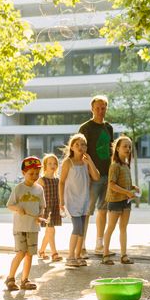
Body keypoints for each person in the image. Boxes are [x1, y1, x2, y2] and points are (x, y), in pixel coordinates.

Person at [78, 95, 114, 257]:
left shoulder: (109, 128)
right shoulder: (86, 128)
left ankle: (100, 244)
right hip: (91, 176)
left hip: (107, 174)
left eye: (103, 107)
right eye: (98, 107)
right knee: (87, 211)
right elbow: (79, 151)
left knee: (103, 210)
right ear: (92, 109)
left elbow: (111, 150)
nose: (101, 110)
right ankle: (81, 246)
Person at [5, 156, 46, 291]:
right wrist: (18, 209)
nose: (34, 176)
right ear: (23, 173)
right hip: (20, 227)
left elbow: (42, 206)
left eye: (36, 173)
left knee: (30, 254)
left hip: (33, 227)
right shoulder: (18, 188)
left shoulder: (39, 189)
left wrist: (40, 216)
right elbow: (9, 205)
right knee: (21, 252)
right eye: (31, 173)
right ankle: (10, 278)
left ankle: (25, 280)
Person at [60, 133, 100, 267]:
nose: (80, 147)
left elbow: (96, 177)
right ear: (71, 147)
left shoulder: (86, 162)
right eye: (77, 144)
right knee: (77, 227)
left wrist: (90, 162)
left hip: (84, 200)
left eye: (83, 144)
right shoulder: (68, 162)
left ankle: (78, 256)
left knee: (82, 229)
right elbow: (61, 182)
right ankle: (70, 256)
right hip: (71, 200)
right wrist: (61, 201)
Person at [101, 135, 140, 265]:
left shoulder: (126, 165)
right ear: (117, 148)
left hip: (126, 202)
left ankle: (124, 255)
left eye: (129, 146)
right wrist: (127, 192)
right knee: (111, 227)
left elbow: (124, 183)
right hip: (115, 201)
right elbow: (111, 184)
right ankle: (105, 254)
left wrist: (133, 187)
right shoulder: (115, 166)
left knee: (123, 228)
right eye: (125, 146)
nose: (128, 149)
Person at [38, 154, 62, 262]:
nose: (53, 165)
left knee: (50, 231)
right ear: (45, 166)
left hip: (55, 207)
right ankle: (54, 253)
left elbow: (60, 194)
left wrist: (62, 204)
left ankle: (41, 251)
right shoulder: (41, 180)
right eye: (50, 163)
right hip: (46, 209)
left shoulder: (58, 180)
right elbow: (35, 195)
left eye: (55, 163)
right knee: (51, 229)